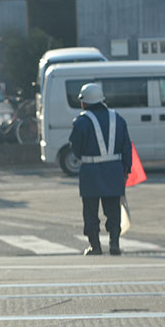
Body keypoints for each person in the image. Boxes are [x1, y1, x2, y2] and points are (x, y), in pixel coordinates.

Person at [68, 83, 132, 256]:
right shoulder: (118, 119)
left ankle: (95, 246)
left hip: (91, 171)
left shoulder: (81, 122)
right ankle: (114, 244)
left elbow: (76, 149)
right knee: (113, 210)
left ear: (84, 102)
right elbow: (127, 147)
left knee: (90, 211)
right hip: (114, 170)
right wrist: (126, 169)